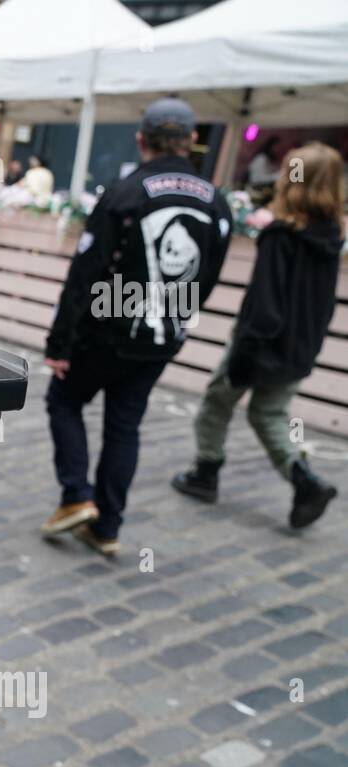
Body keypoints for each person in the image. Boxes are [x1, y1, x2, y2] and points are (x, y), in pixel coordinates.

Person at [41, 98, 233, 555]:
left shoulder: (127, 191)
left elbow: (86, 271)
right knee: (124, 426)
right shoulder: (218, 202)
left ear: (141, 140)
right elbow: (207, 279)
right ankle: (107, 527)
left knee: (63, 398)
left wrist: (60, 342)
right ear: (190, 142)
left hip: (108, 329)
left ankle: (76, 496)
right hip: (162, 334)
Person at [172, 142, 343, 529]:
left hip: (260, 343)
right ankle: (305, 481)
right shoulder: (330, 238)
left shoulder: (281, 236)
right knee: (268, 413)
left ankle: (206, 471)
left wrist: (243, 357)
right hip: (299, 348)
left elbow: (264, 306)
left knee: (218, 401)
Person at [246, 135, 280, 205]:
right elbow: (256, 179)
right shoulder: (261, 159)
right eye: (277, 147)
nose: (278, 150)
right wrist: (277, 176)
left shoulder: (270, 160)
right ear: (271, 146)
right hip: (256, 194)